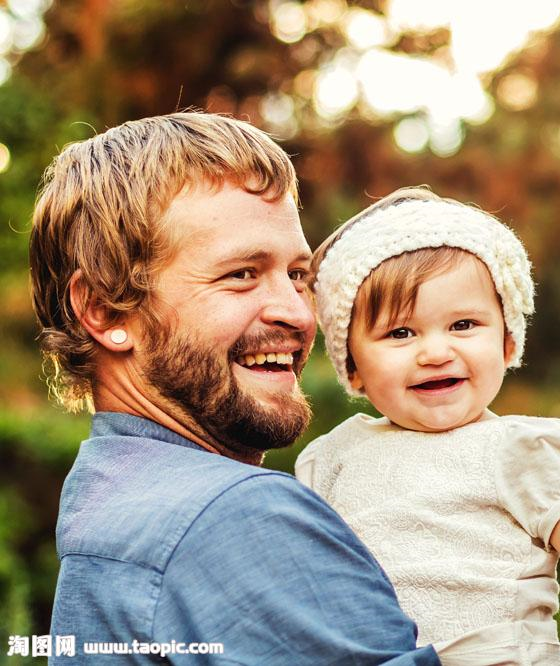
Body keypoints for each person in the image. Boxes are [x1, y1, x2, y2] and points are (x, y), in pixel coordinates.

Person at [29, 113, 439, 664]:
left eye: (298, 274)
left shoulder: (105, 505)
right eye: (242, 273)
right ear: (104, 309)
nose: (297, 313)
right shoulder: (239, 517)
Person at [296, 187, 560, 666]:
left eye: (463, 325)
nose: (436, 352)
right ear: (352, 366)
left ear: (507, 343)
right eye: (401, 333)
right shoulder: (332, 458)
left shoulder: (520, 450)